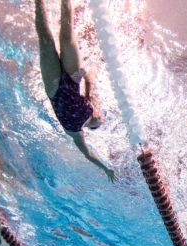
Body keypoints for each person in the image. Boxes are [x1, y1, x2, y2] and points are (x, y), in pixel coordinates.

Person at [34, 0, 115, 182]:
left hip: (54, 90)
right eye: (101, 117)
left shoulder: (75, 132)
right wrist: (87, 73)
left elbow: (88, 155)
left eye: (99, 121)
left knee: (46, 40)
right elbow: (90, 81)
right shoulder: (92, 107)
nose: (100, 117)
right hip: (72, 79)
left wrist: (106, 169)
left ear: (93, 127)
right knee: (67, 35)